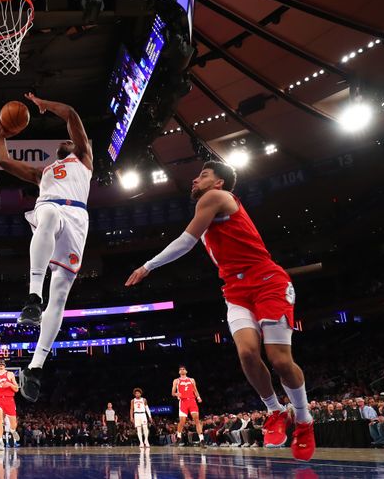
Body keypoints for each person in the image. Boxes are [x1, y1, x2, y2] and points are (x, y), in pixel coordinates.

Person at [125, 161, 316, 461]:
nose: (194, 179)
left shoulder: (214, 199)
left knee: (280, 359)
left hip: (267, 281)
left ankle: (304, 418)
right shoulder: (207, 208)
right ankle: (276, 412)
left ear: (219, 183)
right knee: (247, 354)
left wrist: (148, 266)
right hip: (235, 289)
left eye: (203, 175)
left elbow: (185, 242)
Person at [0, 93, 92, 402]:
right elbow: (2, 160)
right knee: (47, 213)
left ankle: (35, 368)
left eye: (70, 140)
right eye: (62, 141)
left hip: (77, 218)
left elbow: (72, 113)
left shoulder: (84, 158)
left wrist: (44, 105)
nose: (65, 141)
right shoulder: (43, 174)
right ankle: (33, 296)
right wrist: (0, 133)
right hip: (51, 209)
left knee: (62, 292)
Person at [171, 366, 204, 447]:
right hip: (183, 402)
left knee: (196, 420)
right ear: (179, 372)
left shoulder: (191, 379)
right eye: (180, 369)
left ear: (186, 371)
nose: (182, 370)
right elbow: (172, 393)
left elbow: (195, 390)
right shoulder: (176, 380)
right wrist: (176, 394)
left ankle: (202, 439)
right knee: (182, 421)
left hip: (192, 401)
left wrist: (198, 397)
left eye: (183, 369)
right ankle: (178, 437)